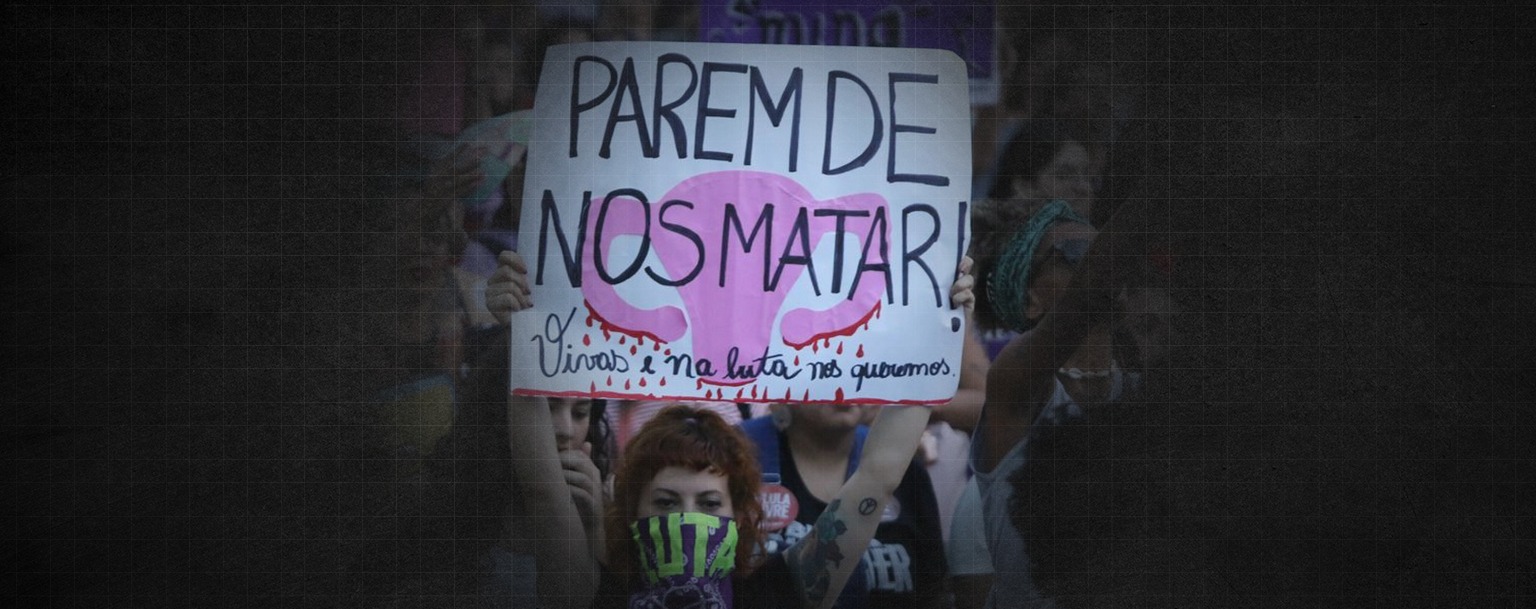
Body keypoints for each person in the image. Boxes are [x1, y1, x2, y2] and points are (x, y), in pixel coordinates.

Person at [501, 250, 975, 609]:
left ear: (740, 514)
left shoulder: (777, 589)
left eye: (709, 504)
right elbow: (542, 487)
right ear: (631, 509)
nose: (689, 521)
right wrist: (519, 334)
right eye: (665, 502)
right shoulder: (595, 587)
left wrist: (937, 343)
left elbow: (878, 473)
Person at [741, 403, 950, 609]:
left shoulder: (906, 472)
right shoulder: (737, 456)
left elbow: (934, 591)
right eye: (823, 369)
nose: (842, 385)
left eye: (856, 368)